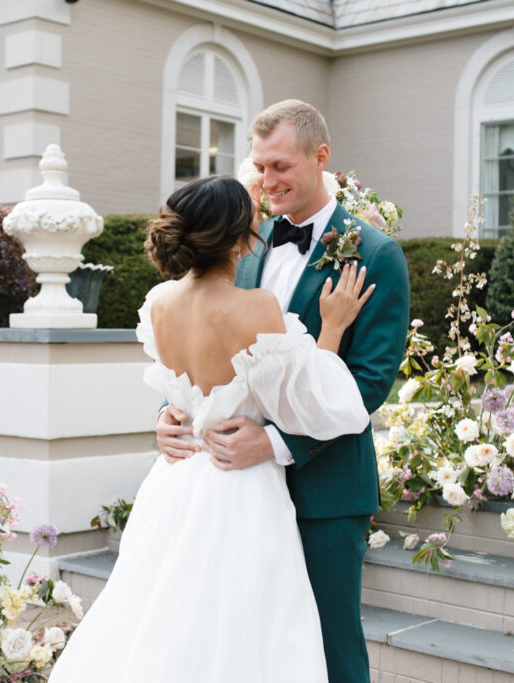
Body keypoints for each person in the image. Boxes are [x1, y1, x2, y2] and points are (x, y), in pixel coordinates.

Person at [48, 174, 375, 682]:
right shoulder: (256, 307)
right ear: (240, 238)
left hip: (175, 484)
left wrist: (166, 415)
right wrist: (332, 327)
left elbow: (183, 392)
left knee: (161, 620)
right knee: (244, 632)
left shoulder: (158, 303)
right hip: (239, 487)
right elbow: (312, 405)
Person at [157, 100, 411, 683]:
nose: (266, 182)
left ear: (321, 157)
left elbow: (369, 384)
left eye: (280, 167)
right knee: (248, 646)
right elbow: (214, 345)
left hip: (324, 493)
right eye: (259, 167)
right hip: (233, 493)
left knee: (329, 643)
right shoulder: (241, 241)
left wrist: (272, 444)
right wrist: (173, 412)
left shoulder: (375, 255)